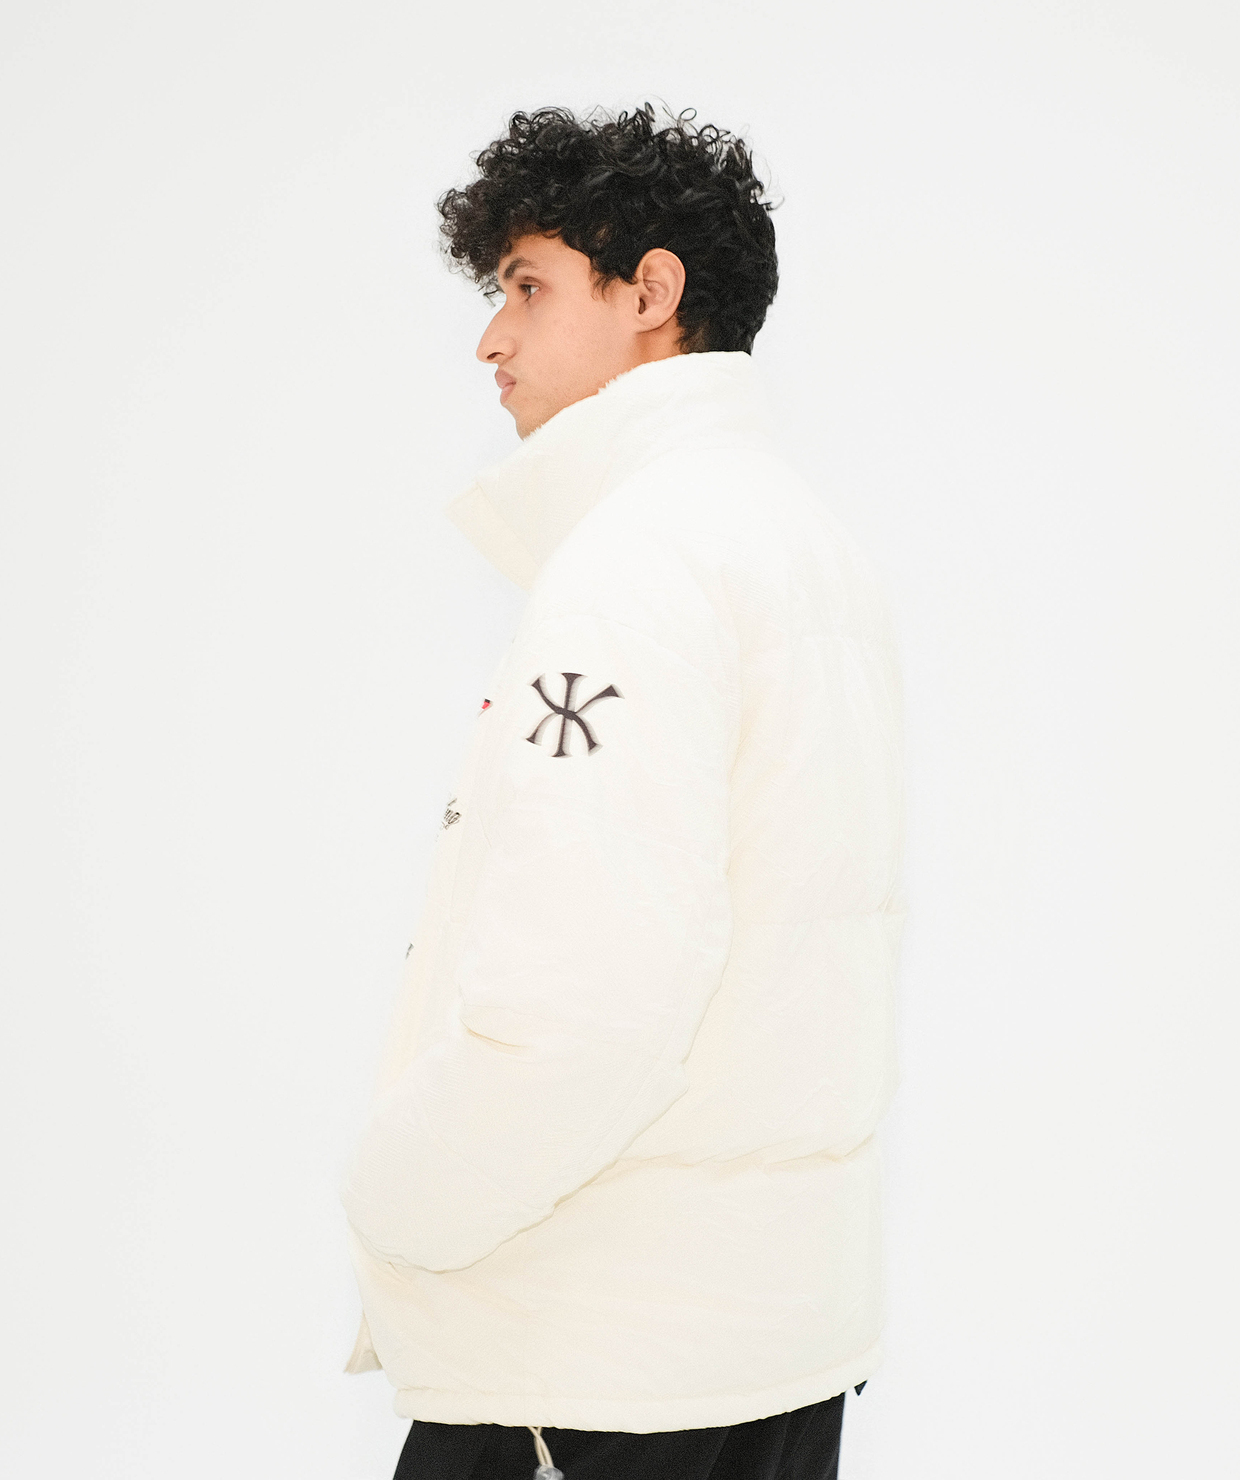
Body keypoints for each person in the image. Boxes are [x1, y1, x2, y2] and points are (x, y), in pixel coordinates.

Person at [340, 103, 904, 1480]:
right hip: (767, 1342)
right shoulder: (796, 537)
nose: (491, 339)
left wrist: (391, 1201)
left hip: (588, 1365)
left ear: (651, 292)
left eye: (527, 287)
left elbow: (581, 1010)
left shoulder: (635, 566)